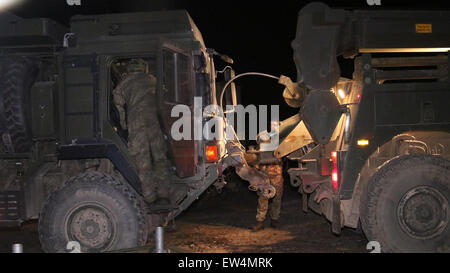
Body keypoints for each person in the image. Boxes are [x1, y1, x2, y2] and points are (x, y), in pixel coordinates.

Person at [112, 59, 171, 205]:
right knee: (159, 157)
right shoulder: (152, 80)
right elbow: (165, 99)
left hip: (135, 123)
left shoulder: (123, 83)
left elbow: (118, 107)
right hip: (154, 122)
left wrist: (123, 125)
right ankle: (163, 194)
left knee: (142, 161)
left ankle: (150, 197)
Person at [252, 163, 284, 231]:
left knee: (277, 197)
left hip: (277, 172)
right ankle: (260, 221)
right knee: (263, 198)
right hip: (263, 173)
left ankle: (274, 219)